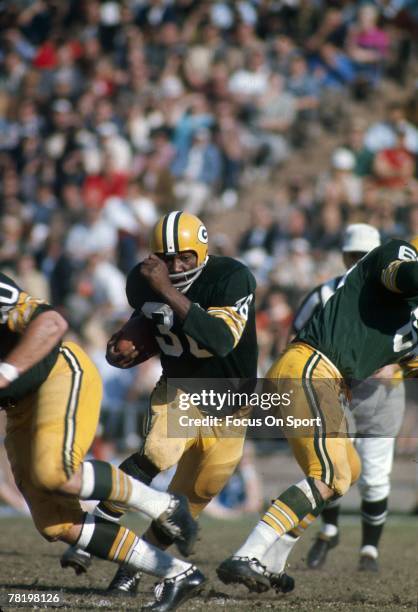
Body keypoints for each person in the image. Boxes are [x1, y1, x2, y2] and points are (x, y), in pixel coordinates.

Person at [61, 211, 260, 600]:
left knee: (192, 499)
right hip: (183, 387)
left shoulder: (231, 277)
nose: (176, 266)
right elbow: (150, 320)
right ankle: (93, 532)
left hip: (233, 403)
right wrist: (129, 342)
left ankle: (131, 569)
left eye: (185, 257)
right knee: (157, 452)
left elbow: (219, 340)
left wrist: (166, 290)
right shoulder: (141, 281)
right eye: (168, 259)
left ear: (201, 252)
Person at [217, 234, 418, 594]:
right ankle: (247, 553)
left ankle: (273, 562)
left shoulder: (413, 321)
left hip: (327, 382)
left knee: (349, 470)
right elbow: (404, 276)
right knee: (329, 472)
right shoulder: (397, 254)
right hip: (311, 367)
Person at [0, 269, 204, 612]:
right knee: (57, 523)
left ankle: (164, 506)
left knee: (55, 472)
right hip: (17, 406)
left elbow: (51, 323)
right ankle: (179, 574)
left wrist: (5, 372)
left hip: (57, 373)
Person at [292, 223, 405, 572]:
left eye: (364, 256)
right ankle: (329, 529)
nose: (358, 263)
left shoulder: (401, 296)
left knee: (374, 476)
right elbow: (298, 340)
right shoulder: (324, 294)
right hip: (336, 392)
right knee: (330, 465)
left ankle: (369, 550)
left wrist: (396, 367)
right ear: (344, 256)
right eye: (353, 256)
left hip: (383, 395)